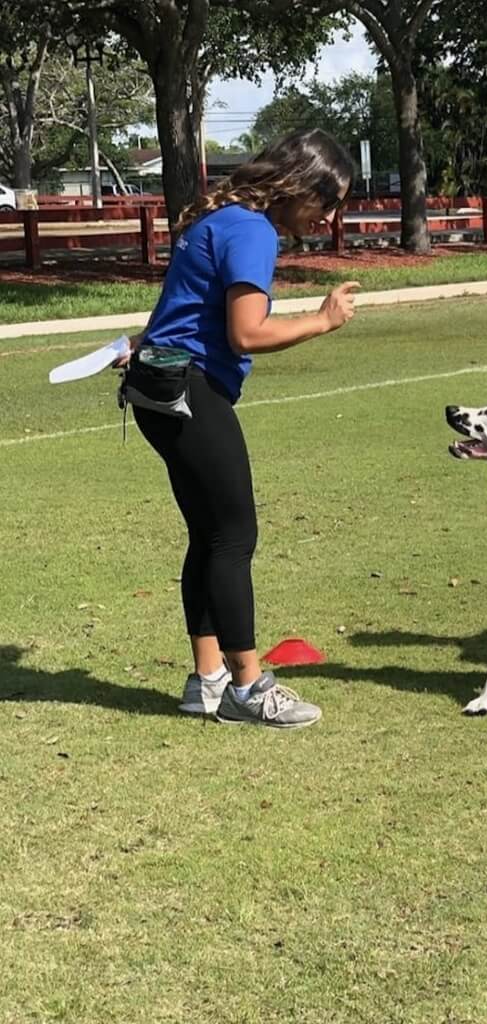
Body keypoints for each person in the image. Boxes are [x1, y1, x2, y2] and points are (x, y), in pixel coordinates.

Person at [124, 129, 360, 728]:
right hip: (189, 391)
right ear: (298, 185)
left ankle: (207, 680)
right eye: (326, 200)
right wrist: (323, 320)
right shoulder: (252, 230)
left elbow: (178, 310)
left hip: (157, 388)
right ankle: (249, 688)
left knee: (208, 535)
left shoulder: (221, 217)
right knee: (233, 536)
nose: (329, 216)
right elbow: (247, 333)